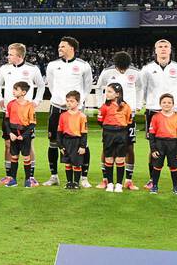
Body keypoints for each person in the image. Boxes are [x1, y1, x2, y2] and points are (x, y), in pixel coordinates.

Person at [43, 37, 94, 186]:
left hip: (76, 112)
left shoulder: (83, 66)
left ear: (71, 48)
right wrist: (60, 100)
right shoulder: (52, 65)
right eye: (59, 46)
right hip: (57, 108)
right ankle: (54, 176)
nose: (59, 48)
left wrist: (78, 104)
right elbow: (51, 85)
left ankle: (83, 178)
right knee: (53, 143)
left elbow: (87, 86)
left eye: (62, 46)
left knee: (82, 144)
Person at [96, 51, 141, 189]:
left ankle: (128, 180)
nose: (122, 70)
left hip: (129, 114)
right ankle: (105, 179)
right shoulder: (107, 72)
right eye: (120, 68)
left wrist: (138, 105)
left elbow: (140, 88)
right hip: (110, 116)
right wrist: (100, 105)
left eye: (124, 68)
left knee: (129, 147)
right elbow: (98, 88)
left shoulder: (135, 72)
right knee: (107, 147)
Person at [1, 80, 39, 187]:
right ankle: (13, 180)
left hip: (24, 133)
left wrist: (24, 135)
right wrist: (10, 133)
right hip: (13, 133)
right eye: (13, 89)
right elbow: (6, 121)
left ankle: (28, 180)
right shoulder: (10, 104)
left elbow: (32, 124)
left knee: (26, 157)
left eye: (16, 89)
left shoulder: (30, 106)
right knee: (14, 156)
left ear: (23, 92)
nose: (13, 91)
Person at [146, 93, 177, 194]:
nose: (166, 104)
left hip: (173, 144)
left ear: (173, 104)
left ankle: (176, 186)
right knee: (157, 165)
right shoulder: (155, 117)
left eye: (169, 102)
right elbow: (151, 135)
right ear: (160, 104)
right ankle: (154, 186)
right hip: (159, 143)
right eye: (164, 102)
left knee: (174, 166)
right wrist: (153, 149)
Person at [97, 82, 133, 192]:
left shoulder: (126, 107)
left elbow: (129, 121)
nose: (106, 94)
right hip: (108, 133)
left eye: (109, 91)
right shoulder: (104, 107)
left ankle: (118, 184)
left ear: (117, 94)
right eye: (106, 91)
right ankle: (110, 183)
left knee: (120, 158)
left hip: (122, 133)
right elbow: (100, 121)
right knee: (108, 158)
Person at [0, 43, 45, 110]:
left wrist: (36, 101)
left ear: (20, 56)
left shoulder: (33, 69)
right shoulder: (4, 68)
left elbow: (41, 85)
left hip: (26, 111)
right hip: (8, 110)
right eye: (8, 54)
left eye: (10, 55)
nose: (7, 57)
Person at [56, 90, 88, 190]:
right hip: (66, 141)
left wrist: (83, 146)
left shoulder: (82, 116)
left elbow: (84, 133)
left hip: (76, 142)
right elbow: (59, 132)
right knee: (67, 162)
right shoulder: (62, 116)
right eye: (67, 101)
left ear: (77, 102)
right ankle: (69, 182)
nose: (69, 103)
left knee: (76, 163)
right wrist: (60, 146)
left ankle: (76, 183)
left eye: (71, 101)